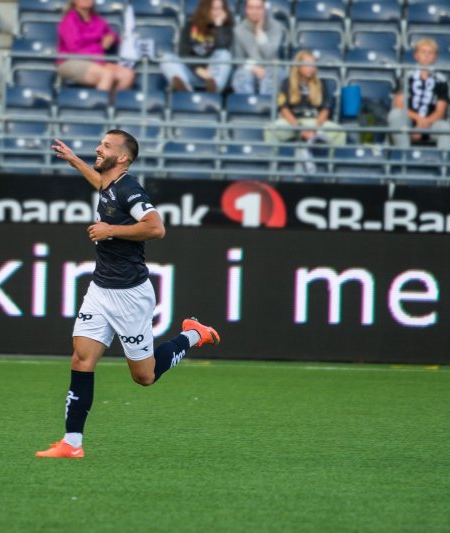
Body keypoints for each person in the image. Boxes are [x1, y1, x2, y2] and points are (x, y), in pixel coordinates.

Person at [36, 129, 221, 459]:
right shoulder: (110, 184)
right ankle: (71, 443)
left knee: (144, 377)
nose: (98, 147)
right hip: (100, 289)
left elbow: (156, 227)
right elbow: (101, 185)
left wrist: (110, 230)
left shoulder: (130, 189)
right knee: (81, 357)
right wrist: (76, 161)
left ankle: (192, 335)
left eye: (105, 146)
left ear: (122, 158)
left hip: (130, 295)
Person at [265, 49, 345, 172]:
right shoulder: (286, 82)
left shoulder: (321, 83)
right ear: (298, 66)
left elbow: (325, 109)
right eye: (307, 64)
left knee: (340, 132)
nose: (311, 68)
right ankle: (274, 166)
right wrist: (299, 128)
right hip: (293, 122)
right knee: (270, 129)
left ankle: (334, 168)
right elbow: (284, 109)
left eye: (313, 64)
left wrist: (316, 128)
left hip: (315, 121)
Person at [57, 0, 135, 98]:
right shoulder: (69, 19)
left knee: (127, 75)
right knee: (107, 74)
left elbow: (111, 34)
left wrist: (111, 37)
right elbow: (74, 48)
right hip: (71, 61)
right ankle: (99, 108)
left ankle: (112, 107)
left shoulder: (97, 19)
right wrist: (99, 50)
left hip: (96, 61)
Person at [387, 38, 450, 151]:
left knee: (445, 127)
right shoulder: (405, 76)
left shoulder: (441, 80)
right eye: (423, 52)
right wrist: (419, 121)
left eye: (430, 53)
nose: (426, 56)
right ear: (416, 55)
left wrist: (423, 125)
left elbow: (440, 112)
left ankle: (443, 164)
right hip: (408, 121)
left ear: (435, 56)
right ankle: (403, 156)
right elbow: (399, 105)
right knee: (395, 114)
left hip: (432, 124)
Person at [160, 0, 234, 93]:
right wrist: (198, 69)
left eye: (220, 9)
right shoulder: (190, 25)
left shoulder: (225, 28)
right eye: (214, 9)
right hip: (192, 71)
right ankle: (185, 89)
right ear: (205, 9)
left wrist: (219, 26)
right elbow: (183, 52)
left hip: (213, 74)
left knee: (224, 54)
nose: (217, 12)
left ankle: (214, 88)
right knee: (166, 58)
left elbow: (222, 45)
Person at [231, 0, 286, 95]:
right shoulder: (238, 30)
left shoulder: (276, 27)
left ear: (264, 9)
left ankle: (265, 107)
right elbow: (239, 60)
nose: (254, 12)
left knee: (271, 76)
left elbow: (270, 55)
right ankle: (249, 108)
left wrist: (259, 32)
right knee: (241, 76)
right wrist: (254, 68)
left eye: (258, 8)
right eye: (251, 8)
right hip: (251, 68)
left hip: (273, 66)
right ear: (246, 10)